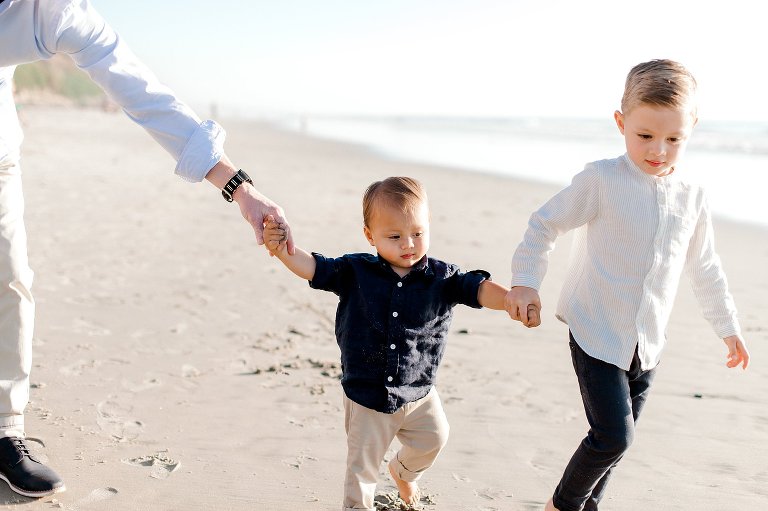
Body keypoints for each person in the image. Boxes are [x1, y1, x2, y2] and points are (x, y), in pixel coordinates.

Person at [0, 0, 293, 498]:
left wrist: (239, 188)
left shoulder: (57, 13)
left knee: (11, 280)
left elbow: (140, 90)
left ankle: (5, 430)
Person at [503, 59, 750, 511]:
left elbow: (705, 266)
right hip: (597, 329)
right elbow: (544, 225)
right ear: (621, 123)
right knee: (613, 436)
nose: (659, 150)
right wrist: (526, 283)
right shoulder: (602, 179)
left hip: (648, 343)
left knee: (619, 443)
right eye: (645, 136)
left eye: (674, 139)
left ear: (692, 128)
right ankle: (561, 505)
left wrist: (727, 327)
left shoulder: (693, 196)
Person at [263, 176, 534, 510]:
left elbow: (476, 289)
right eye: (394, 236)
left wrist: (508, 300)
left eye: (418, 233)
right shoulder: (355, 271)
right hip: (368, 395)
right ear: (370, 236)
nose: (408, 244)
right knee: (361, 470)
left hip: (419, 392)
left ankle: (404, 472)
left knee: (435, 439)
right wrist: (282, 250)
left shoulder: (442, 278)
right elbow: (314, 268)